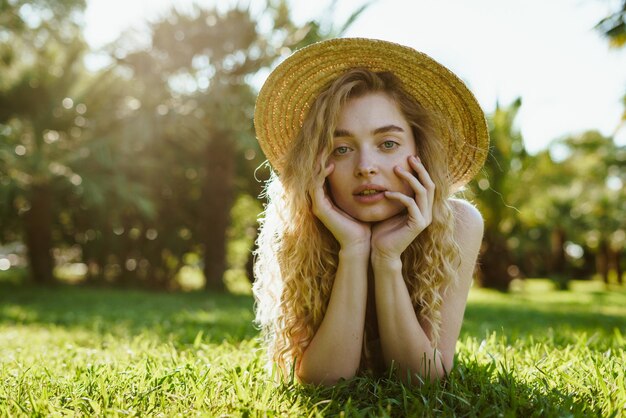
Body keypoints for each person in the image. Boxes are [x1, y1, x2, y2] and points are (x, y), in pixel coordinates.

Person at [252, 38, 489, 386]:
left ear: (419, 152)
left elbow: (422, 379)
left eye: (388, 144)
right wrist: (354, 249)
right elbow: (325, 381)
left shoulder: (459, 224)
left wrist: (387, 258)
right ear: (319, 163)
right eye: (342, 149)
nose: (366, 167)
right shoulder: (298, 226)